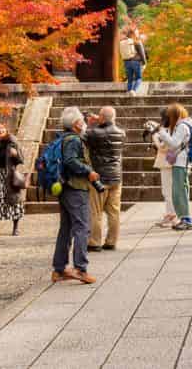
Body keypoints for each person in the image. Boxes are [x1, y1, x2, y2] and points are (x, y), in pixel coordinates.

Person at [50, 107, 100, 284]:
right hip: (76, 187)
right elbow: (71, 161)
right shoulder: (73, 140)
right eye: (82, 121)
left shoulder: (64, 138)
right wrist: (88, 171)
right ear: (76, 124)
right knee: (82, 227)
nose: (84, 123)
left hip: (65, 187)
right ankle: (80, 268)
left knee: (66, 228)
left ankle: (59, 269)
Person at [84, 106, 126, 251]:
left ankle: (94, 242)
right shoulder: (122, 133)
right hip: (116, 177)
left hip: (99, 178)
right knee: (114, 211)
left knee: (95, 211)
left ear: (101, 118)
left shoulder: (94, 133)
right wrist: (102, 120)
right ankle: (111, 241)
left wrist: (90, 122)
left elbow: (83, 136)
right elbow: (111, 125)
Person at [158, 103, 192, 231]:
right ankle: (184, 219)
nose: (168, 119)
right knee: (179, 191)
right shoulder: (188, 123)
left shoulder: (182, 126)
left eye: (169, 116)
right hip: (182, 161)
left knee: (180, 191)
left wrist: (162, 133)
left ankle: (186, 220)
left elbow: (174, 144)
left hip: (182, 162)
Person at [146, 109, 177, 228]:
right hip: (168, 162)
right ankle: (170, 214)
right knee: (167, 190)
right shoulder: (172, 129)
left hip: (167, 163)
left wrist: (154, 135)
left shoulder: (170, 130)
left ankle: (172, 216)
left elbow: (163, 148)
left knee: (168, 191)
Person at [118, 27, 146, 95]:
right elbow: (142, 53)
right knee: (138, 78)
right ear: (133, 34)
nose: (137, 34)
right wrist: (144, 62)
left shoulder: (123, 42)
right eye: (137, 33)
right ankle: (133, 90)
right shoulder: (136, 42)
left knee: (130, 79)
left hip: (126, 62)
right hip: (136, 61)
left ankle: (128, 91)